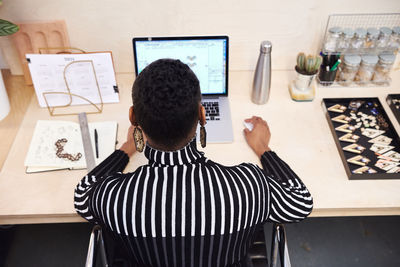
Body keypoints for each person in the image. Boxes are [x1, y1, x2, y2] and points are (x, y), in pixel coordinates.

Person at [74, 59, 313, 267]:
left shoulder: (112, 196)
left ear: (133, 117)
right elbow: (300, 202)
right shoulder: (249, 186)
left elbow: (82, 195)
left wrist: (127, 148)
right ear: (202, 115)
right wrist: (263, 148)